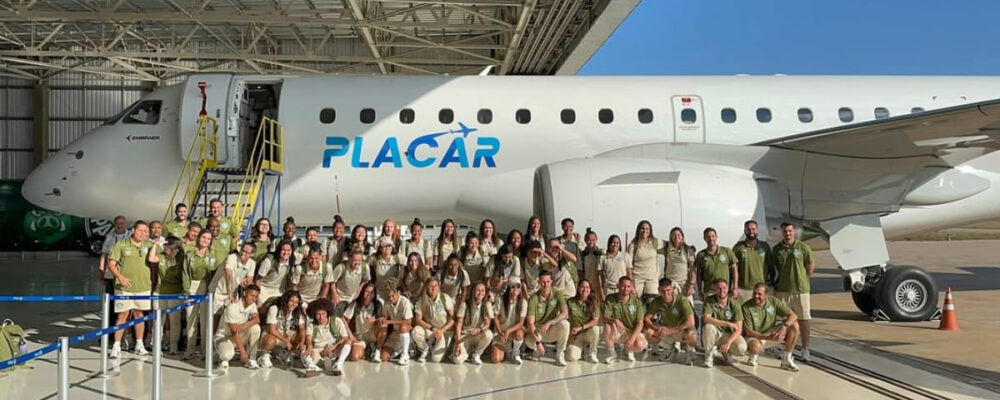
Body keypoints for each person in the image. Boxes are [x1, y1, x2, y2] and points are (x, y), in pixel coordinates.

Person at [107, 220, 153, 358]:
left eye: (146, 231)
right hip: (124, 287)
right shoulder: (121, 244)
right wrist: (120, 277)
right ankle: (116, 345)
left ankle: (139, 343)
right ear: (133, 230)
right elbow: (111, 263)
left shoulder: (149, 245)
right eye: (140, 230)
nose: (143, 233)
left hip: (143, 286)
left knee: (139, 315)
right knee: (122, 315)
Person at [771, 221, 815, 361]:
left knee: (803, 319)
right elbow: (774, 268)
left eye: (790, 231)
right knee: (784, 320)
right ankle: (784, 347)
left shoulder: (803, 248)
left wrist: (801, 278)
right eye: (785, 231)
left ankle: (805, 349)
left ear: (794, 232)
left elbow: (810, 267)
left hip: (800, 290)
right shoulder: (777, 249)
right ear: (782, 232)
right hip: (783, 290)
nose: (787, 233)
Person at [742, 283, 800, 371]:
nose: (756, 296)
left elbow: (793, 315)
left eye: (759, 294)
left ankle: (786, 359)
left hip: (770, 333)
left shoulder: (773, 301)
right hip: (755, 336)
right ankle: (752, 356)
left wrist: (784, 326)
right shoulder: (746, 307)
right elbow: (748, 332)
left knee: (794, 325)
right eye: (754, 293)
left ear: (766, 295)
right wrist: (767, 337)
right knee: (756, 347)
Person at [148, 237, 189, 355]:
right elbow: (151, 258)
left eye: (166, 245)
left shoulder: (181, 258)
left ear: (173, 247)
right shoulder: (161, 256)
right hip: (159, 292)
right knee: (158, 321)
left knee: (174, 321)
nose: (164, 247)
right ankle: (156, 345)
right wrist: (155, 244)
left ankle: (173, 346)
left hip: (175, 292)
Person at [644, 278, 696, 365]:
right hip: (665, 330)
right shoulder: (657, 301)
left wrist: (671, 330)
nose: (666, 294)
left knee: (693, 335)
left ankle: (689, 354)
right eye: (663, 291)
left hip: (680, 331)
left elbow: (691, 322)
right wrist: (656, 329)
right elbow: (647, 319)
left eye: (668, 290)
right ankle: (670, 349)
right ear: (659, 290)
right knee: (649, 333)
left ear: (672, 289)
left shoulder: (682, 300)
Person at [183, 230, 218, 360]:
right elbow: (185, 273)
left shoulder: (213, 255)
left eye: (208, 239)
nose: (205, 240)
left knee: (205, 321)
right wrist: (186, 290)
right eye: (203, 237)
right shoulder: (190, 254)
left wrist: (210, 291)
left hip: (206, 287)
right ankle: (190, 349)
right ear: (198, 238)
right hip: (192, 286)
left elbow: (214, 274)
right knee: (190, 319)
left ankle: (205, 349)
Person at [525, 270, 570, 366]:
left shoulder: (558, 294)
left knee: (565, 324)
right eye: (543, 281)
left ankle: (559, 354)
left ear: (552, 281)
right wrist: (538, 343)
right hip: (538, 332)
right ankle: (536, 350)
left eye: (548, 281)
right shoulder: (534, 298)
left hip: (551, 330)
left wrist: (550, 322)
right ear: (539, 282)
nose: (545, 284)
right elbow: (530, 323)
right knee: (528, 341)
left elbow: (565, 313)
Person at [702, 279, 747, 368]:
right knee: (708, 327)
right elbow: (706, 319)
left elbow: (739, 329)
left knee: (741, 347)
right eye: (718, 288)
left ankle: (726, 353)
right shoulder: (710, 300)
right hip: (715, 334)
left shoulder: (735, 304)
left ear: (728, 288)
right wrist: (727, 323)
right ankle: (708, 355)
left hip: (727, 335)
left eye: (724, 288)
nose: (722, 291)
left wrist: (728, 342)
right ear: (715, 290)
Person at [601, 276, 647, 364]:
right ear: (618, 286)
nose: (626, 288)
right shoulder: (610, 299)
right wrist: (615, 320)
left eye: (628, 286)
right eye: (623, 286)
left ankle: (629, 350)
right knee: (607, 325)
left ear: (631, 287)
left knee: (640, 346)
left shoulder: (637, 302)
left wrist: (632, 339)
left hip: (631, 331)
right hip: (618, 331)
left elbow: (640, 324)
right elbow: (605, 317)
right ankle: (612, 354)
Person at [214, 284, 261, 369]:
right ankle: (220, 355)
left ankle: (252, 358)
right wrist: (242, 352)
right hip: (224, 337)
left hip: (239, 334)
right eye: (251, 295)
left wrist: (243, 325)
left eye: (256, 297)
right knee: (227, 355)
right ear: (244, 293)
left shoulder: (252, 304)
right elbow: (234, 332)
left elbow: (257, 319)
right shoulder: (232, 307)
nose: (253, 299)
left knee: (256, 328)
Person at [305, 298, 354, 375]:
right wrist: (309, 346)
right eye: (318, 314)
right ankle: (312, 366)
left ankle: (338, 365)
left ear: (327, 313)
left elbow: (345, 337)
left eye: (323, 313)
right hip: (318, 351)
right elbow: (308, 338)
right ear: (314, 314)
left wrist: (333, 348)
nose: (321, 317)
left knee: (348, 342)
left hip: (333, 350)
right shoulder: (311, 325)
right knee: (303, 348)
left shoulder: (337, 321)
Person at [258, 290, 307, 368]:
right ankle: (264, 356)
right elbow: (272, 330)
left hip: (286, 333)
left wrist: (302, 342)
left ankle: (286, 354)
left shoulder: (297, 311)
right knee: (270, 341)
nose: (294, 304)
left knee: (300, 337)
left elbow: (302, 329)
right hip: (273, 334)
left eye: (296, 302)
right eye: (291, 301)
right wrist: (286, 341)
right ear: (286, 300)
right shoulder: (274, 308)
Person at [412, 278, 456, 363]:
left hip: (444, 331)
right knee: (416, 331)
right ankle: (425, 349)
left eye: (436, 285)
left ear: (439, 287)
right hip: (432, 329)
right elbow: (418, 320)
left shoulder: (445, 298)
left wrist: (442, 330)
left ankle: (447, 346)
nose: (434, 288)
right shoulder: (422, 300)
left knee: (435, 359)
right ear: (427, 288)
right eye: (431, 286)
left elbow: (453, 318)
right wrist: (432, 328)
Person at [208, 242, 256, 316]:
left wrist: (249, 291)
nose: (243, 253)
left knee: (229, 317)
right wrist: (230, 293)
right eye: (242, 250)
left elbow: (249, 280)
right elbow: (228, 275)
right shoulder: (232, 257)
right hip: (218, 291)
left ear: (252, 254)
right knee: (215, 317)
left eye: (247, 252)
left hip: (232, 293)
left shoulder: (252, 263)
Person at [453, 282, 495, 365]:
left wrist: (480, 330)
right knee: (457, 360)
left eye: (483, 290)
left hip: (477, 334)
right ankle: (468, 351)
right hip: (465, 335)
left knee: (489, 334)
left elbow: (487, 324)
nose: (480, 293)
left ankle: (477, 354)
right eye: (478, 290)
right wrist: (458, 343)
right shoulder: (465, 305)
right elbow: (458, 325)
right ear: (473, 292)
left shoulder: (486, 304)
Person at [343, 282, 385, 362]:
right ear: (362, 292)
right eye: (366, 291)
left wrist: (375, 320)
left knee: (383, 327)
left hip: (372, 334)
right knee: (354, 357)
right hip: (360, 336)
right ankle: (367, 350)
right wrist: (350, 335)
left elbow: (383, 320)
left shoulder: (378, 305)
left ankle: (377, 351)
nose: (369, 294)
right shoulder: (356, 304)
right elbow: (344, 318)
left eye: (372, 292)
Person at [376, 279, 414, 365]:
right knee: (384, 357)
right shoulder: (387, 303)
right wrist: (380, 320)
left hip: (406, 331)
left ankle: (405, 354)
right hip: (395, 333)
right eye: (389, 296)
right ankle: (400, 350)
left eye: (393, 296)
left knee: (403, 326)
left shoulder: (405, 302)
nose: (390, 298)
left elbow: (409, 321)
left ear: (399, 292)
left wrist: (390, 321)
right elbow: (384, 317)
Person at [490, 277, 527, 364]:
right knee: (496, 360)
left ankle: (515, 352)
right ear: (508, 288)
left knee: (520, 333)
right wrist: (500, 333)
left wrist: (508, 331)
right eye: (513, 287)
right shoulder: (500, 299)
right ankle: (506, 348)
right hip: (500, 333)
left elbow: (521, 323)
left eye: (518, 287)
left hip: (512, 332)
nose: (516, 289)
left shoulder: (523, 302)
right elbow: (495, 317)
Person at [733, 221, 772, 302]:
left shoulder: (765, 246)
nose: (751, 231)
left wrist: (770, 284)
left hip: (761, 289)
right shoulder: (738, 247)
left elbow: (771, 266)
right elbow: (734, 268)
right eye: (748, 229)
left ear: (757, 230)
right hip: (743, 289)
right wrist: (734, 287)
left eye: (753, 229)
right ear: (745, 231)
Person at [626, 220, 666, 299]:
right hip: (637, 279)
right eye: (642, 228)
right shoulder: (633, 245)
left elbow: (670, 245)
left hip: (652, 279)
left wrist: (687, 248)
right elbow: (628, 266)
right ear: (638, 230)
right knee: (635, 305)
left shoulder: (655, 242)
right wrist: (631, 284)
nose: (645, 231)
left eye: (647, 229)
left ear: (650, 230)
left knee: (651, 304)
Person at [695, 228, 737, 300]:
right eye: (708, 237)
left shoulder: (727, 251)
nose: (711, 239)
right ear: (704, 238)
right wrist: (700, 292)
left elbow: (734, 269)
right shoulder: (701, 255)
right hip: (709, 291)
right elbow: (699, 276)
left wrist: (735, 287)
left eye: (713, 236)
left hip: (724, 290)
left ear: (716, 237)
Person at [566, 279, 601, 363]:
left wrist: (580, 327)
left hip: (588, 333)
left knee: (596, 329)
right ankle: (581, 349)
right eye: (582, 287)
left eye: (587, 287)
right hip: (576, 335)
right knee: (572, 357)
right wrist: (569, 334)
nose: (585, 290)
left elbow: (595, 321)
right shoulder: (570, 302)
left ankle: (592, 353)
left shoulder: (594, 302)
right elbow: (566, 319)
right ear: (578, 288)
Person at [254, 240, 295, 305]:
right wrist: (258, 298)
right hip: (264, 291)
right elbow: (258, 280)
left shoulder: (292, 261)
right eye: (283, 250)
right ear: (279, 250)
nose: (286, 253)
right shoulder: (269, 261)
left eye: (288, 250)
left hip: (279, 292)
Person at [98, 215, 130, 295]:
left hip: (127, 273)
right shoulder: (109, 238)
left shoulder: (132, 237)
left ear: (126, 224)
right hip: (110, 274)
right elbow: (103, 256)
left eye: (122, 223)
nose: (119, 226)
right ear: (114, 225)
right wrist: (101, 272)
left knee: (126, 298)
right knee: (110, 298)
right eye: (117, 224)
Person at [665, 227, 697, 302]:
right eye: (674, 235)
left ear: (682, 236)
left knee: (689, 308)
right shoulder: (666, 248)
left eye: (678, 235)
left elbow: (692, 269)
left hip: (684, 284)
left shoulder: (689, 250)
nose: (676, 237)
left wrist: (691, 285)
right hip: (671, 283)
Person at [597, 234, 630, 301]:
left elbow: (629, 272)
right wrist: (601, 291)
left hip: (622, 288)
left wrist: (631, 287)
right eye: (613, 242)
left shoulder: (625, 256)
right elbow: (599, 276)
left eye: (617, 243)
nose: (615, 245)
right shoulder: (603, 258)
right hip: (609, 289)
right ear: (609, 243)